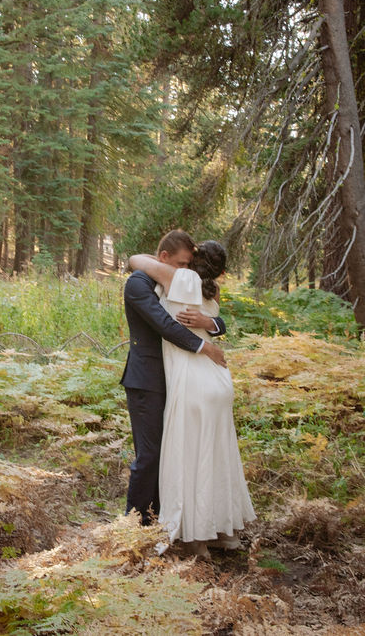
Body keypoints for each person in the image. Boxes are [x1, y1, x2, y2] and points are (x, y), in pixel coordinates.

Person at [129, 240, 256, 558]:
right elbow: (216, 323)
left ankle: (197, 539)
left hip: (192, 380)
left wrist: (169, 260)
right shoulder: (210, 288)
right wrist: (212, 326)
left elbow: (134, 259)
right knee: (218, 456)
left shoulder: (181, 279)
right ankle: (225, 532)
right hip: (217, 378)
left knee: (190, 458)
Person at [121, 230, 228, 526]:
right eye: (183, 264)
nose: (188, 272)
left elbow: (216, 318)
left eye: (190, 265)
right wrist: (205, 347)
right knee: (150, 454)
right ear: (164, 258)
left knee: (172, 454)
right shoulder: (138, 284)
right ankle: (133, 525)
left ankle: (161, 518)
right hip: (147, 380)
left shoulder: (182, 282)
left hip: (180, 380)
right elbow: (164, 324)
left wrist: (210, 325)